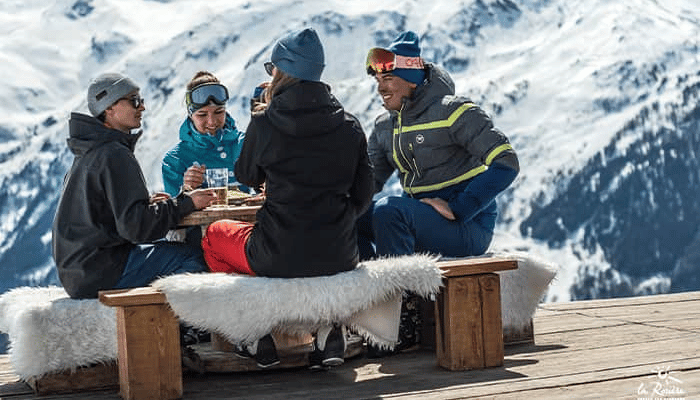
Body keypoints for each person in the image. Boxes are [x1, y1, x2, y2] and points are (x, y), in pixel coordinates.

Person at [201, 27, 374, 369]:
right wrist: (333, 219)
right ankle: (327, 328)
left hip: (276, 252)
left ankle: (254, 333)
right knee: (315, 256)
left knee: (213, 238)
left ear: (281, 73)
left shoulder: (265, 123)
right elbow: (364, 194)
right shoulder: (349, 125)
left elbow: (247, 176)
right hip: (338, 252)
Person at [358, 31, 520, 354]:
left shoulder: (454, 112)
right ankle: (369, 316)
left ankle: (402, 322)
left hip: (466, 226)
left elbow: (507, 162)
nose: (380, 86)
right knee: (353, 220)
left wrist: (460, 207)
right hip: (418, 221)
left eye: (388, 78)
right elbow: (366, 185)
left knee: (390, 212)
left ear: (411, 79)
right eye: (378, 79)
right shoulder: (384, 126)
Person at [52, 72, 217, 300]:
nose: (142, 107)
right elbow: (137, 228)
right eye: (134, 101)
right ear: (109, 108)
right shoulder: (114, 153)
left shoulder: (90, 151)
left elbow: (109, 212)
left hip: (80, 271)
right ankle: (182, 332)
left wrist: (148, 204)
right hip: (102, 270)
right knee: (192, 258)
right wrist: (187, 202)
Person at [162, 71, 248, 197]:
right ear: (190, 115)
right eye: (202, 114)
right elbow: (173, 211)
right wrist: (185, 190)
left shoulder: (245, 144)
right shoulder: (175, 160)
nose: (212, 122)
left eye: (219, 112)